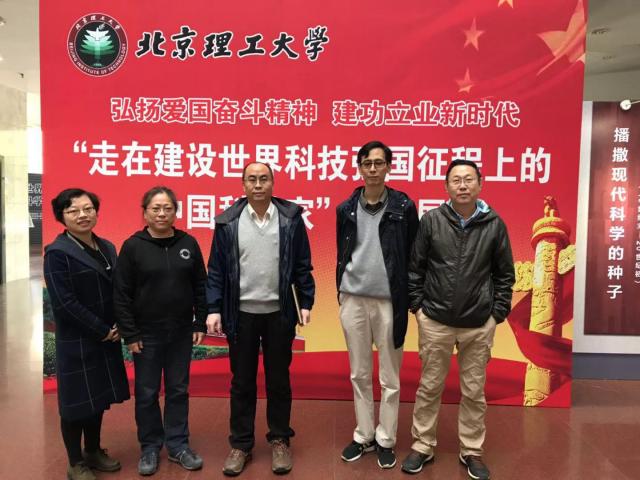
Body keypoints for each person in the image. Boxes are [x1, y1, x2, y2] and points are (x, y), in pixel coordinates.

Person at [400, 160, 515, 480]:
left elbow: (505, 275)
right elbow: (415, 268)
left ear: (480, 183)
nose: (462, 185)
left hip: (478, 324)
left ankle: (471, 450)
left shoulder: (494, 224)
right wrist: (419, 310)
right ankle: (423, 444)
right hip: (435, 320)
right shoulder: (432, 221)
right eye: (456, 180)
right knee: (429, 387)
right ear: (446, 186)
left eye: (468, 179)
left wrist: (495, 315)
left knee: (474, 391)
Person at [206, 162, 315, 476]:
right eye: (251, 179)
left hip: (279, 313)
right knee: (242, 382)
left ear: (272, 183)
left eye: (263, 179)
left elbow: (302, 264)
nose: (257, 185)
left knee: (279, 380)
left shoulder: (290, 219)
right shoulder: (228, 222)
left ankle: (279, 439)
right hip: (240, 314)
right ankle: (241, 444)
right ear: (243, 184)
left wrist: (305, 301)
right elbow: (216, 270)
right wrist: (213, 308)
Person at [113, 186, 207, 476]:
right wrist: (130, 333)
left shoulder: (188, 243)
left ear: (176, 212)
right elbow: (121, 294)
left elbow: (201, 286)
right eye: (156, 208)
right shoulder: (133, 246)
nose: (162, 213)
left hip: (181, 332)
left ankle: (178, 445)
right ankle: (150, 446)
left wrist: (200, 322)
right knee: (146, 392)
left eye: (168, 208)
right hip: (146, 335)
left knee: (178, 390)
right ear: (145, 213)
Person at [336, 140, 418, 469]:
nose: (372, 169)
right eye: (367, 163)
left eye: (378, 163)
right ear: (359, 167)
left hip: (389, 302)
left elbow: (414, 253)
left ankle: (386, 438)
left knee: (390, 376)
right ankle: (364, 435)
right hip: (353, 298)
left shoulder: (404, 206)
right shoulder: (345, 208)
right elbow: (344, 252)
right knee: (359, 373)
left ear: (388, 167)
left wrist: (411, 296)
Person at [44, 188, 130, 480]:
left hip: (107, 337)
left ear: (96, 211)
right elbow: (64, 303)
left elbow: (118, 288)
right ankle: (75, 462)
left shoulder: (107, 246)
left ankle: (93, 450)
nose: (82, 215)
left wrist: (119, 325)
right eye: (73, 211)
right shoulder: (57, 253)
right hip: (78, 340)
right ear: (62, 216)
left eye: (88, 209)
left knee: (97, 398)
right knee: (75, 404)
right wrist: (102, 330)